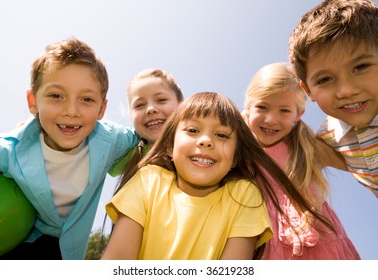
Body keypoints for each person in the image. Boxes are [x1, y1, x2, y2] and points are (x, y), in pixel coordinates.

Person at [101, 92, 336, 260]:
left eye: (222, 135)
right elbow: (117, 261)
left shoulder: (245, 195)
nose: (206, 140)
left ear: (235, 158)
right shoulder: (148, 179)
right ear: (171, 146)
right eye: (193, 130)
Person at [0, 38, 139, 259]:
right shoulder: (9, 149)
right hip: (21, 241)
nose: (71, 110)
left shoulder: (110, 140)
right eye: (56, 96)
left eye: (86, 99)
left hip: (66, 252)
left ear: (101, 109)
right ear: (33, 101)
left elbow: (146, 143)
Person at [243, 62, 360, 259]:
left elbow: (359, 159)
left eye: (284, 111)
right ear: (248, 107)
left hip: (323, 247)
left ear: (298, 114)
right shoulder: (236, 147)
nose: (271, 119)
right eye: (262, 107)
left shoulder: (307, 148)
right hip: (263, 246)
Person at [288, 0, 378, 198]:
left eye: (361, 67)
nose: (345, 91)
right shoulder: (328, 137)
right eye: (325, 79)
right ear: (309, 91)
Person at [108, 68, 183, 177]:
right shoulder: (127, 152)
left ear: (182, 104)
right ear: (130, 115)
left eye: (161, 100)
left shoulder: (199, 146)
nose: (150, 109)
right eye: (139, 105)